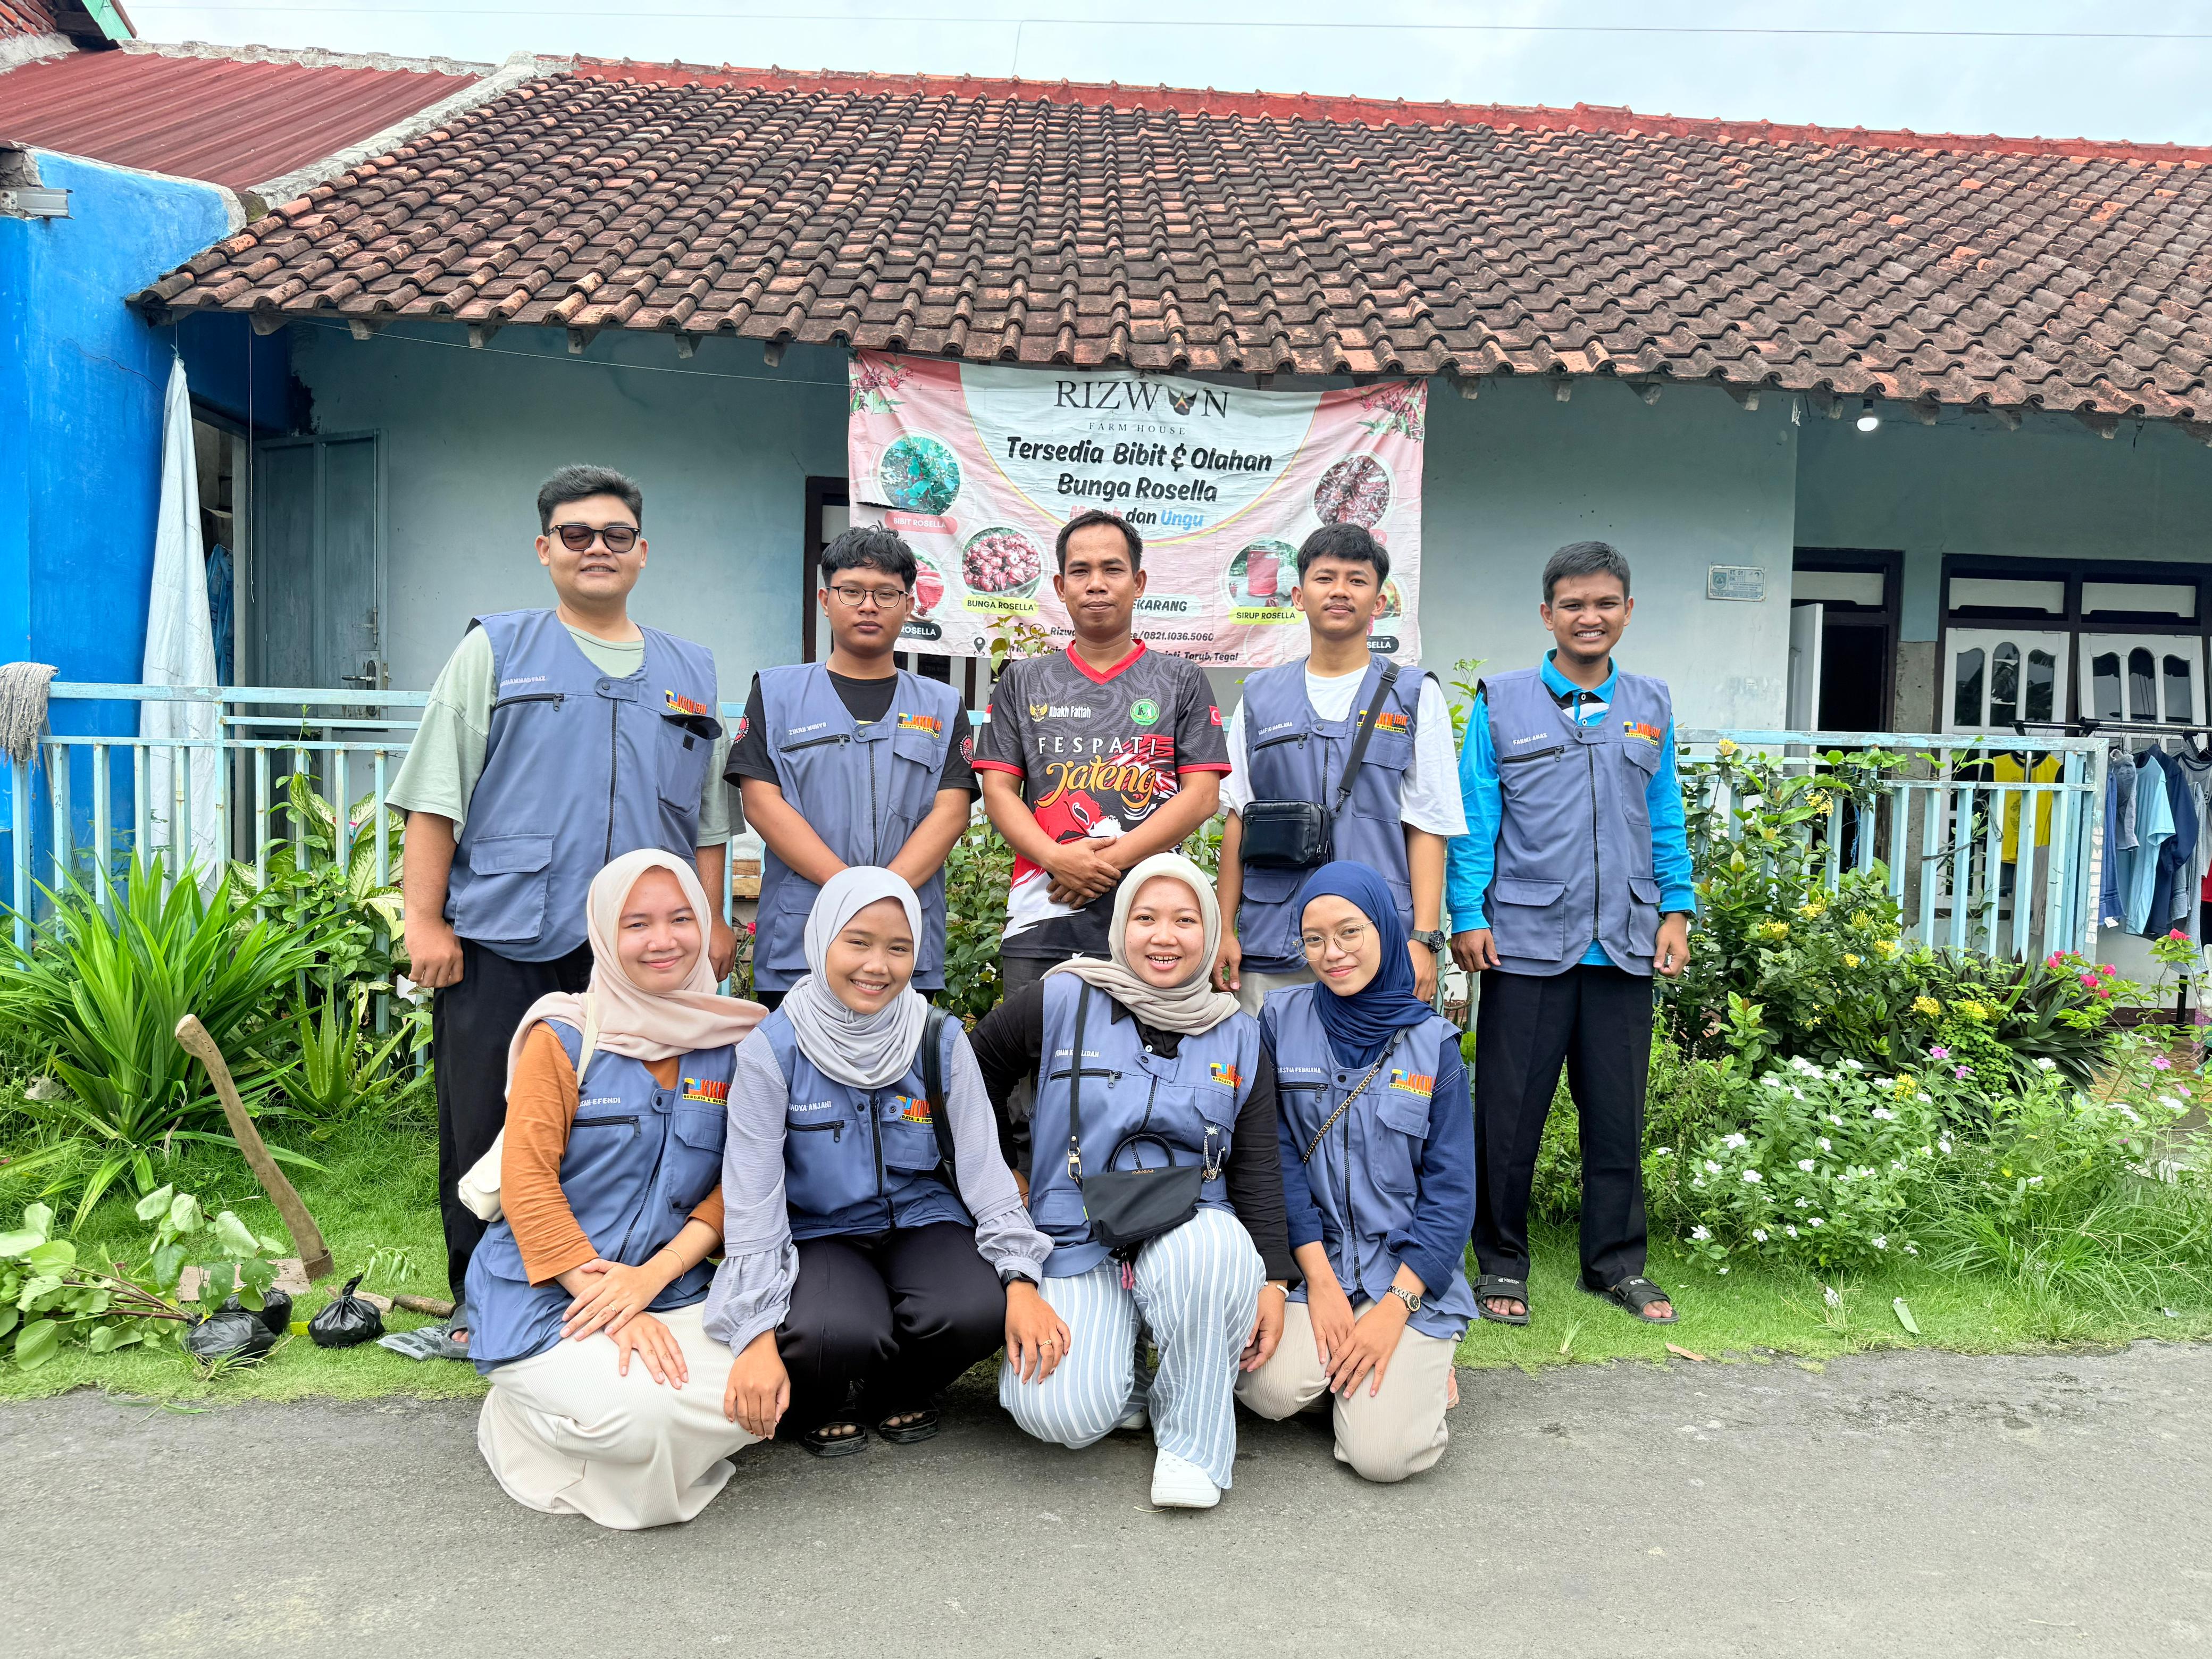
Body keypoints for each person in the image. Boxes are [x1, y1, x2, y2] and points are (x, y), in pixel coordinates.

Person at [395, 465, 736, 1348]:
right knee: (487, 1116)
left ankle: (621, 1269)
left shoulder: (690, 672)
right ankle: (481, 1292)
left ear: (642, 552)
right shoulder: (496, 650)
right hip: (510, 932)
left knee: (637, 1115)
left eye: (615, 535)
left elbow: (706, 820)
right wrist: (423, 921)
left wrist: (713, 920)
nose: (597, 549)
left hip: (646, 949)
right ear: (545, 549)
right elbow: (436, 795)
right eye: (576, 534)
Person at [970, 852, 1293, 1510]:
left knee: (1216, 1256)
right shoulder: (1064, 996)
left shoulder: (1236, 1032)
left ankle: (1191, 1442)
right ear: (1121, 926)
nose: (1164, 936)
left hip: (1189, 1222)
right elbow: (974, 1070)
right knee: (1058, 1413)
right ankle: (1125, 1383)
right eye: (1145, 917)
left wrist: (1274, 1279)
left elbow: (1258, 1162)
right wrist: (1003, 1166)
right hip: (1074, 1227)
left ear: (1208, 931)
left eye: (1183, 919)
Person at [707, 868, 1056, 1455]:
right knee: (830, 1331)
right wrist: (755, 1330)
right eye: (858, 943)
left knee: (973, 1309)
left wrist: (1020, 1278)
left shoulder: (936, 1039)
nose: (877, 966)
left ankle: (892, 1390)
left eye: (898, 949)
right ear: (821, 942)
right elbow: (752, 1197)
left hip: (923, 1218)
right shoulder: (772, 1051)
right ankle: (814, 1403)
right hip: (822, 1230)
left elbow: (983, 1168)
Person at [465, 849, 765, 1529]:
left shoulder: (736, 1039)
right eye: (637, 924)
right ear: (604, 931)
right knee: (643, 1417)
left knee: (776, 1382)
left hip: (672, 1287)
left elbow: (739, 1184)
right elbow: (528, 1180)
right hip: (546, 1294)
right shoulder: (565, 1035)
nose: (662, 941)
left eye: (681, 919)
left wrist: (651, 1281)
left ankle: (623, 1427)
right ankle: (522, 1420)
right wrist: (612, 1302)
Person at [1446, 541, 1695, 1327]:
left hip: (1624, 943)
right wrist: (1468, 914)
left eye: (1606, 603)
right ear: (1547, 614)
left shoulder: (1649, 705)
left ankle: (1615, 1265)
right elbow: (1475, 819)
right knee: (1509, 1116)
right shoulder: (1502, 702)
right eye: (1575, 604)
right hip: (1524, 944)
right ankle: (1502, 1264)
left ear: (1628, 611)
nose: (1591, 617)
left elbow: (1665, 817)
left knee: (1617, 1115)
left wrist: (1677, 911)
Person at [1235, 863, 1476, 1483]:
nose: (1331, 954)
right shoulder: (1278, 1023)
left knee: (1382, 1458)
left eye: (1349, 933)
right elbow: (1275, 1156)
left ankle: (1412, 1366)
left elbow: (1450, 1195)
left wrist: (1394, 1310)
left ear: (1385, 932)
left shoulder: (1433, 1046)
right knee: (1264, 1389)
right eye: (1313, 939)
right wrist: (1315, 1281)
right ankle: (1376, 1382)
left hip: (1404, 1276)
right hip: (1318, 1264)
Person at [974, 509, 1230, 993]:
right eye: (1080, 571)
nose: (1096, 584)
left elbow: (1202, 797)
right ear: (1059, 586)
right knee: (1037, 1061)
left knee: (1151, 1064)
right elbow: (999, 793)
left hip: (1154, 928)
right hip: (1043, 915)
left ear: (1138, 583)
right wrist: (1056, 857)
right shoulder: (1022, 680)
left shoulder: (1181, 681)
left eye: (1112, 570)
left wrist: (1098, 864)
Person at [1214, 522, 1465, 1012]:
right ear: (1298, 594)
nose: (1340, 592)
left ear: (1379, 601)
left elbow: (1428, 824)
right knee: (1270, 1080)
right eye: (1325, 578)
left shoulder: (1415, 696)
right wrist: (1225, 929)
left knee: (1375, 1081)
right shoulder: (1260, 697)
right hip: (1274, 938)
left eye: (1357, 579)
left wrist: (1424, 939)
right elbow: (1238, 818)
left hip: (1380, 938)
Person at [727, 525, 977, 1010]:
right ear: (826, 599)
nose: (869, 605)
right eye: (852, 591)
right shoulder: (776, 695)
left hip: (905, 946)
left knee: (903, 1083)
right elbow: (761, 802)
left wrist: (884, 895)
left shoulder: (944, 705)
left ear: (909, 605)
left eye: (887, 593)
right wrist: (854, 890)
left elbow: (951, 812)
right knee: (795, 1079)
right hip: (800, 943)